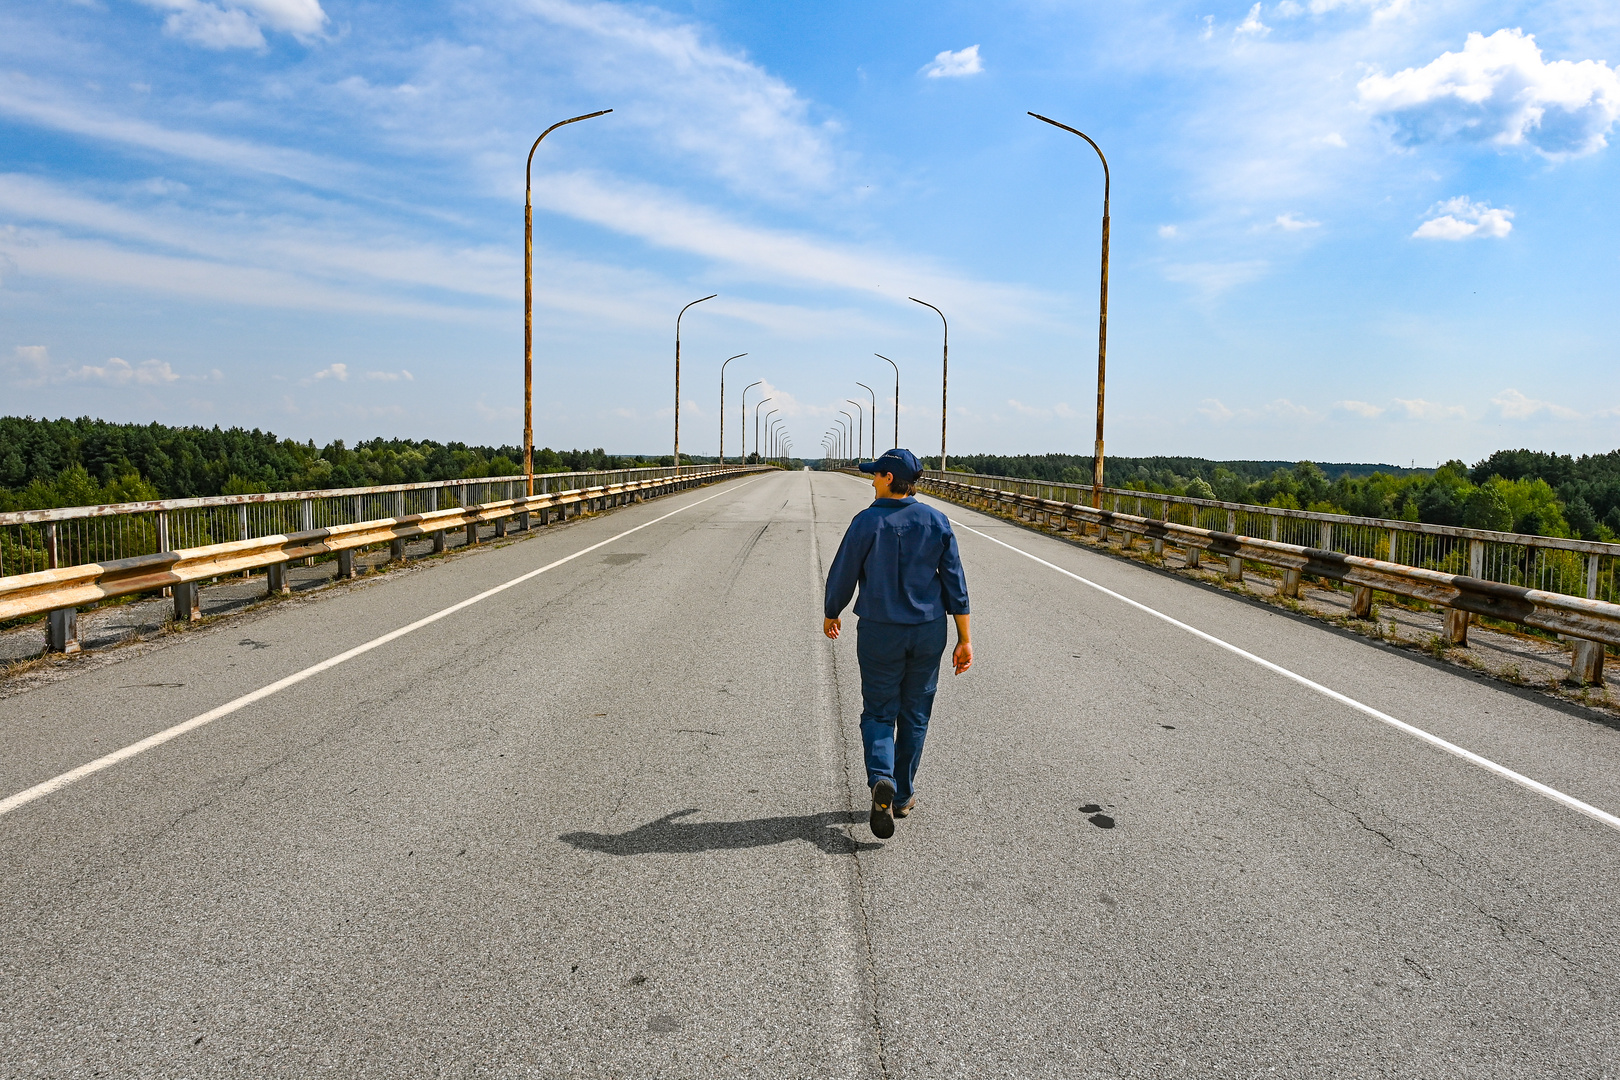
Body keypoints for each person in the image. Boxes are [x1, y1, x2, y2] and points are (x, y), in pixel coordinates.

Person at [823, 448, 972, 839]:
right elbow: (955, 583)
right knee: (915, 715)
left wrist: (832, 611)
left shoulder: (866, 522)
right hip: (928, 631)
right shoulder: (937, 520)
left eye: (876, 475)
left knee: (877, 712)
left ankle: (880, 779)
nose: (872, 480)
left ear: (889, 478)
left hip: (880, 630)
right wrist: (965, 639)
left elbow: (844, 572)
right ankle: (902, 795)